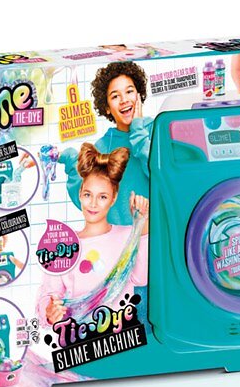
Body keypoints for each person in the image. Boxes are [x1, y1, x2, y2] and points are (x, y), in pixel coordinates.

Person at [37, 143, 149, 326]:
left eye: (102, 197)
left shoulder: (126, 235)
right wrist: (49, 311)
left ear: (113, 198)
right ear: (80, 194)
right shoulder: (63, 244)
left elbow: (141, 277)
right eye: (88, 195)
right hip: (79, 337)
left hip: (120, 336)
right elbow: (48, 294)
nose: (93, 204)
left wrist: (141, 223)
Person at [59, 61, 153, 225]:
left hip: (153, 233)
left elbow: (161, 175)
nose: (124, 100)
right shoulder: (102, 147)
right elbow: (86, 200)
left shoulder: (156, 129)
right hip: (116, 237)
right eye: (115, 96)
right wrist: (71, 160)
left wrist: (138, 130)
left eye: (129, 91)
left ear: (139, 95)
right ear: (107, 107)